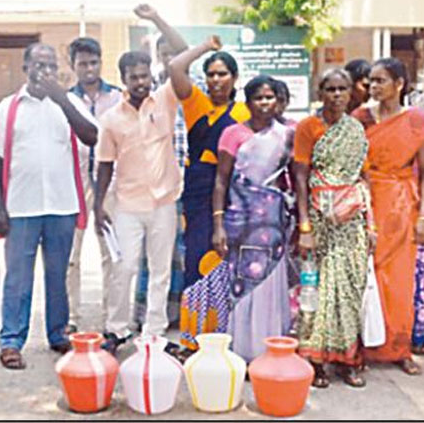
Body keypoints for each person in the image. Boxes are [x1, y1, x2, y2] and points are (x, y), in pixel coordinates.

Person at [0, 43, 98, 370]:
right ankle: (11, 341)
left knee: (58, 275)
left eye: (51, 65)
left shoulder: (71, 102)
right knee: (18, 279)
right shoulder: (8, 107)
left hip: (61, 206)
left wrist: (61, 98)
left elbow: (91, 136)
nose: (46, 71)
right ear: (26, 67)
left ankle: (57, 333)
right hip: (20, 207)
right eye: (39, 65)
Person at [180, 76, 295, 361]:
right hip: (239, 219)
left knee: (269, 281)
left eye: (270, 97)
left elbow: (294, 179)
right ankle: (240, 349)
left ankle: (268, 349)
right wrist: (218, 225)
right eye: (259, 97)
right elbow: (221, 181)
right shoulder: (233, 134)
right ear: (248, 102)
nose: (265, 103)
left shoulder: (287, 134)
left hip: (273, 221)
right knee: (241, 283)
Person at [94, 50, 182, 354]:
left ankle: (154, 332)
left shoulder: (165, 100)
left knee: (160, 270)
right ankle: (116, 329)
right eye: (134, 77)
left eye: (145, 75)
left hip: (164, 203)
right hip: (127, 205)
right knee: (125, 267)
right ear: (123, 80)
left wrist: (156, 18)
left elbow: (180, 51)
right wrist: (98, 208)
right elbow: (105, 164)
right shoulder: (111, 119)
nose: (141, 82)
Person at [294, 68, 372, 388]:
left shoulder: (355, 129)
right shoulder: (308, 127)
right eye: (330, 89)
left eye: (342, 89)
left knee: (351, 287)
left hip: (352, 218)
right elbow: (300, 176)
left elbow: (363, 177)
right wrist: (305, 226)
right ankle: (318, 360)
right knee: (322, 289)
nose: (337, 95)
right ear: (320, 91)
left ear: (351, 93)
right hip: (319, 215)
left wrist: (372, 224)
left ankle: (349, 359)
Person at [353, 58, 424, 374]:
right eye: (371, 81)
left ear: (399, 84)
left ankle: (400, 349)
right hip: (365, 203)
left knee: (399, 282)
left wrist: (422, 216)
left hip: (401, 205)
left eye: (381, 80)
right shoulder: (360, 118)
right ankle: (364, 348)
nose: (374, 87)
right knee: (365, 277)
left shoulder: (416, 120)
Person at [168, 37, 250, 290]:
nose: (216, 80)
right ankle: (198, 322)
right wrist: (205, 47)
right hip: (199, 191)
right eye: (211, 74)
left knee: (230, 258)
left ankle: (227, 322)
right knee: (197, 256)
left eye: (222, 74)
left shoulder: (245, 112)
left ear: (234, 78)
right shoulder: (196, 104)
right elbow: (175, 68)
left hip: (233, 191)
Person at [132, 3, 190, 332]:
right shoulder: (150, 87)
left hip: (185, 182)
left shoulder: (186, 87)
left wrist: (156, 18)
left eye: (173, 54)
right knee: (151, 256)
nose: (170, 59)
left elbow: (183, 49)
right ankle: (148, 316)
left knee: (180, 252)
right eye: (164, 54)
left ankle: (177, 315)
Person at [65, 37, 122, 333]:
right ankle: (70, 318)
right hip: (75, 184)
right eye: (82, 63)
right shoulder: (65, 100)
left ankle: (112, 321)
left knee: (111, 253)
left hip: (111, 184)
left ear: (101, 62)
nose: (88, 68)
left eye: (93, 62)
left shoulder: (118, 97)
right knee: (70, 256)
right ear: (72, 65)